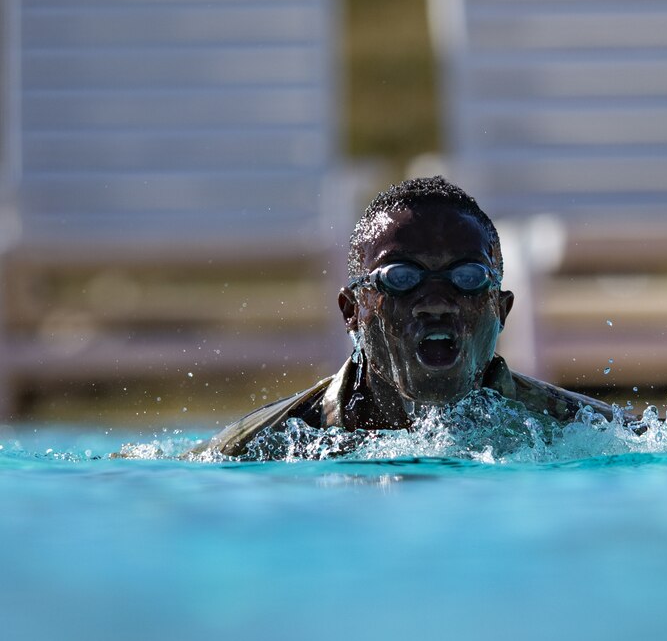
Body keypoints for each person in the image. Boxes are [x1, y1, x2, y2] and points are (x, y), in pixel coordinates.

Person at [201, 176, 619, 458]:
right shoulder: (257, 449)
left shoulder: (594, 434)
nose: (436, 302)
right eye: (400, 276)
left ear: (502, 309)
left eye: (467, 276)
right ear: (352, 311)